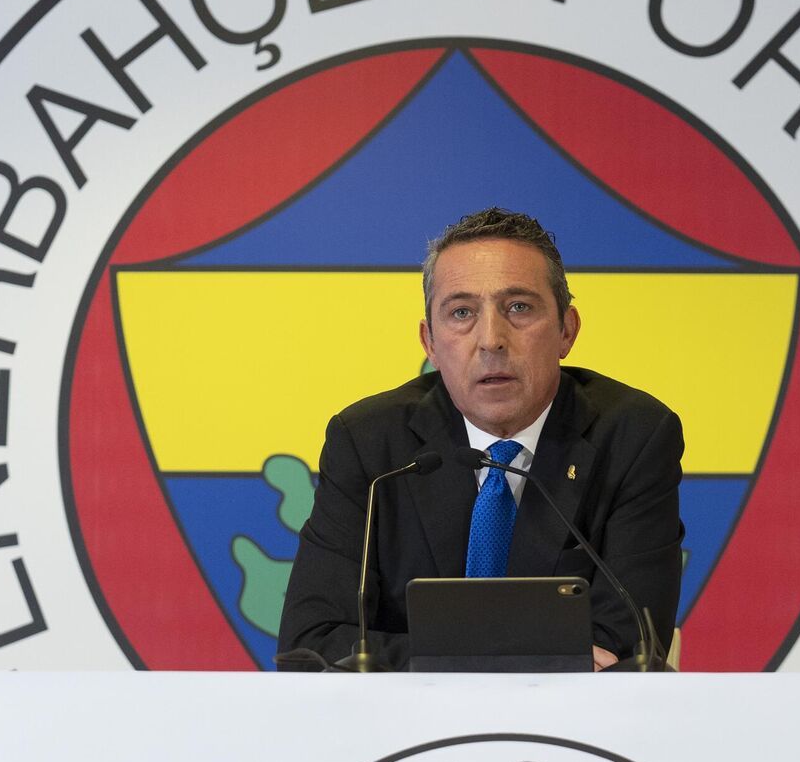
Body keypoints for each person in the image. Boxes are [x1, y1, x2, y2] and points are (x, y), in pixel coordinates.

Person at [277, 208, 684, 671]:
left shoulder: (634, 437)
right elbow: (310, 646)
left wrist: (446, 658)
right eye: (462, 313)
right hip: (409, 714)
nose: (491, 339)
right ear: (430, 342)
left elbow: (630, 648)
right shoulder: (369, 444)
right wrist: (503, 661)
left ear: (566, 331)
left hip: (568, 717)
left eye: (519, 308)